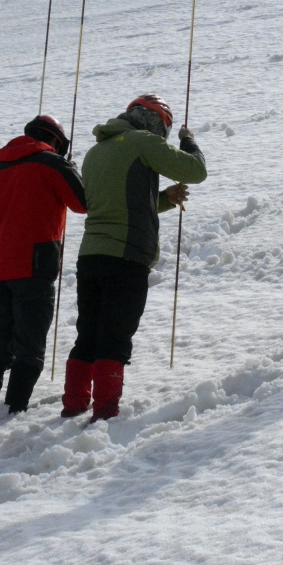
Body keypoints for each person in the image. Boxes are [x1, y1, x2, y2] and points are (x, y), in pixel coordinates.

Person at [65, 95, 205, 422]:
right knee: (115, 336)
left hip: (90, 256)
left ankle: (73, 404)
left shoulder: (98, 151)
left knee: (88, 333)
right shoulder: (141, 142)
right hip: (126, 257)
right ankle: (105, 412)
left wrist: (164, 199)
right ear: (155, 123)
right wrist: (189, 141)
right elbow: (195, 171)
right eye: (165, 129)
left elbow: (116, 204)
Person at [0, 115, 86, 418]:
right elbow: (82, 202)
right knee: (30, 346)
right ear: (56, 141)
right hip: (35, 267)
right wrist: (70, 168)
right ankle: (12, 411)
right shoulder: (50, 163)